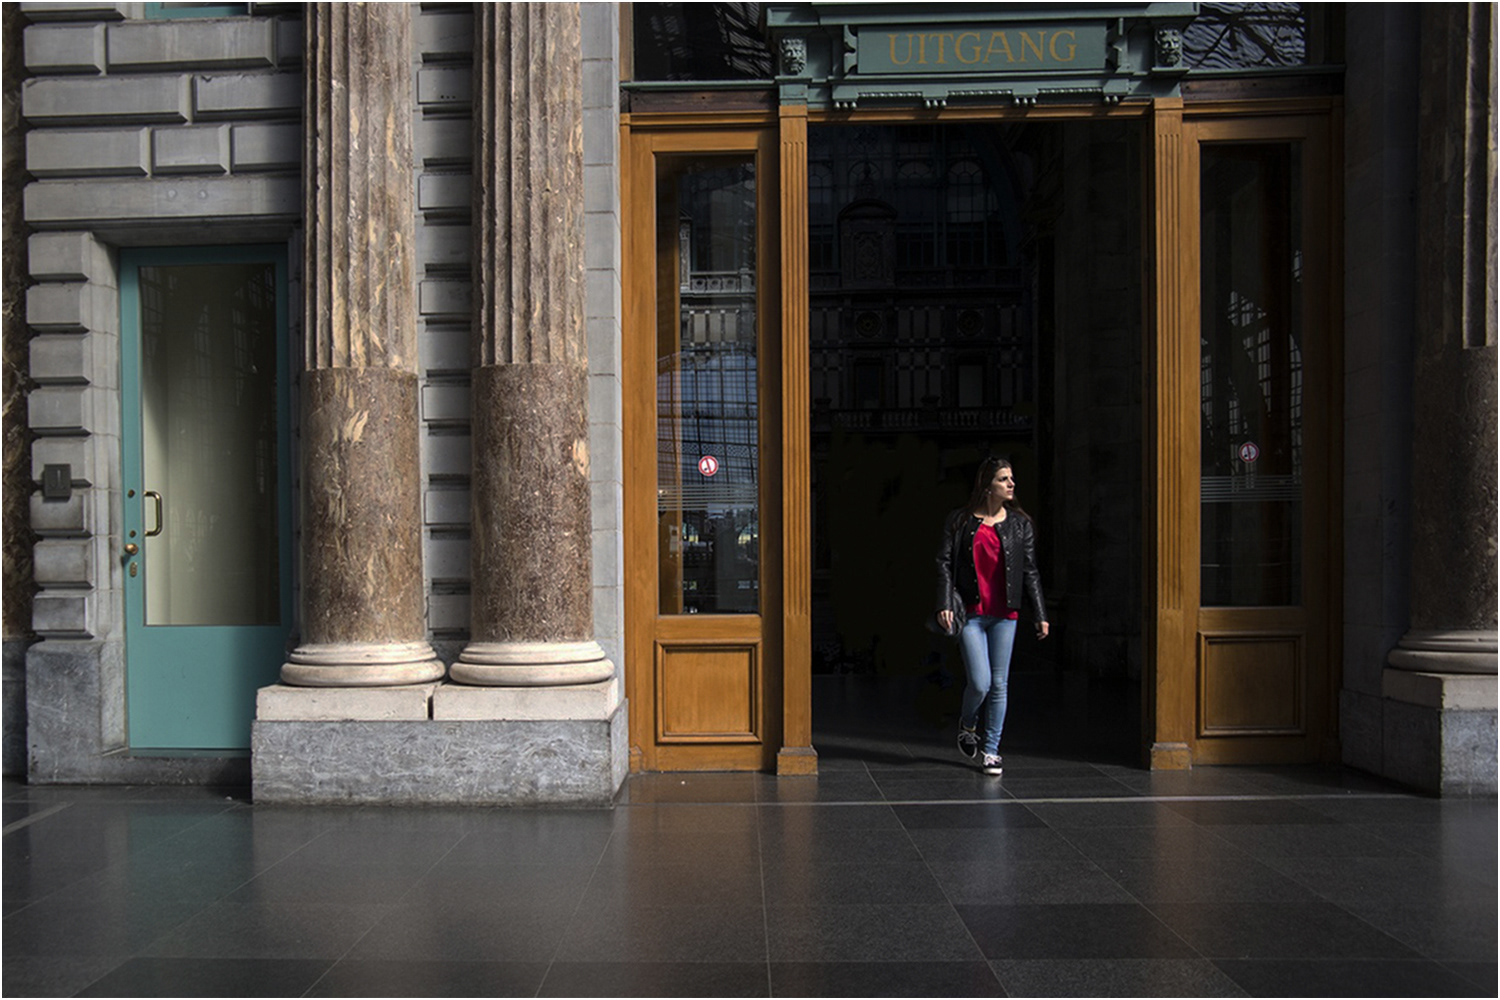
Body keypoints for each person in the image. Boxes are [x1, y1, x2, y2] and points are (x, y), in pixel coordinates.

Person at [933, 456, 1048, 775]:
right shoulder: (960, 521)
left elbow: (1030, 570)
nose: (1011, 484)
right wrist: (944, 602)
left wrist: (1040, 613)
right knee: (980, 683)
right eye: (1003, 479)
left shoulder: (1020, 524)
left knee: (999, 684)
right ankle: (968, 723)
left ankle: (992, 750)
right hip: (971, 614)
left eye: (1011, 478)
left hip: (1005, 614)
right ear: (987, 486)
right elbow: (944, 563)